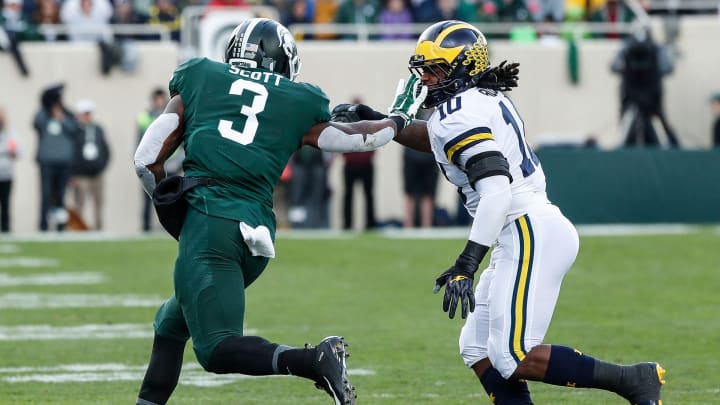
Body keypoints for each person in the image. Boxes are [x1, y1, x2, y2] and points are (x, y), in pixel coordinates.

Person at [331, 20, 666, 404]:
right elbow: (439, 140)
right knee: (478, 348)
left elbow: (495, 192)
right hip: (522, 227)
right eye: (422, 69)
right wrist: (379, 117)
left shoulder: (459, 113)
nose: (424, 79)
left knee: (513, 355)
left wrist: (467, 262)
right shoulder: (476, 101)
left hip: (525, 227)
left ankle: (633, 379)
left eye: (435, 69)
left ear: (462, 68)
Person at [132, 17, 425, 405]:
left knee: (216, 350)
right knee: (170, 325)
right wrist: (399, 116)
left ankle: (313, 360)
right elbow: (358, 140)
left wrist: (176, 217)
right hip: (256, 236)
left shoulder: (199, 75)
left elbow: (146, 159)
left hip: (211, 225)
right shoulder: (299, 99)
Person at [611, 27, 679, 148]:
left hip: (651, 100)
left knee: (658, 130)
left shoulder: (656, 50)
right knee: (628, 131)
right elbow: (614, 67)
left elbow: (667, 68)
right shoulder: (628, 49)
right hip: (632, 97)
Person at [33, 83, 79, 232]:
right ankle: (43, 226)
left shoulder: (68, 115)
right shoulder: (43, 115)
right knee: (46, 194)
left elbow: (75, 130)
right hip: (47, 162)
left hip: (64, 162)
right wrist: (47, 108)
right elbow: (36, 124)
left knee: (60, 195)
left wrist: (62, 118)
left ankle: (60, 226)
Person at [68, 99, 111, 230]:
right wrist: (72, 174)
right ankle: (79, 230)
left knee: (99, 204)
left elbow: (106, 149)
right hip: (81, 176)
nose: (87, 116)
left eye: (88, 113)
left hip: (97, 174)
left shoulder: (97, 129)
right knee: (79, 204)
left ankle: (99, 229)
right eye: (84, 113)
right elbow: (71, 153)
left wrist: (102, 166)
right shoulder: (74, 131)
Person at [402, 145, 437, 228]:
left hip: (429, 155)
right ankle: (408, 225)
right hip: (411, 155)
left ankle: (427, 226)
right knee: (410, 193)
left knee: (428, 194)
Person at [0, 106, 18, 232]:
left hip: (7, 175)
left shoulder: (10, 135)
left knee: (5, 205)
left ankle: (6, 230)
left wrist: (11, 152)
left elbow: (17, 152)